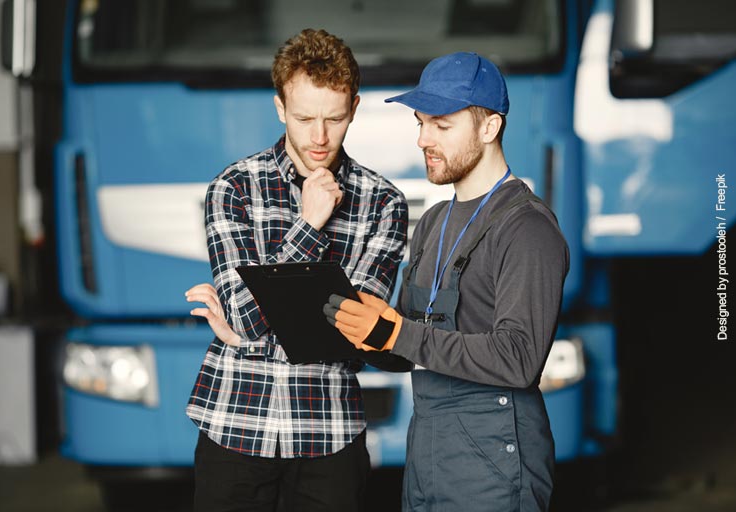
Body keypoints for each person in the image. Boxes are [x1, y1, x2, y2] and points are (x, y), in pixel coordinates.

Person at [324, 52, 570, 511]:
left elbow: (519, 360)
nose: (422, 140)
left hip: (495, 466)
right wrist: (368, 335)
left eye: (441, 125)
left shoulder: (526, 228)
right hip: (428, 459)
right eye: (420, 123)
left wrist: (396, 331)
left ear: (489, 128)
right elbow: (411, 346)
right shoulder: (434, 221)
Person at [184, 29, 408, 512]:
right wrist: (309, 223)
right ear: (280, 108)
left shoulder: (384, 202)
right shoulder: (233, 188)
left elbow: (352, 328)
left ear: (354, 107)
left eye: (334, 118)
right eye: (304, 118)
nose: (319, 137)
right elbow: (249, 316)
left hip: (330, 430)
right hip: (235, 424)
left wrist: (249, 330)